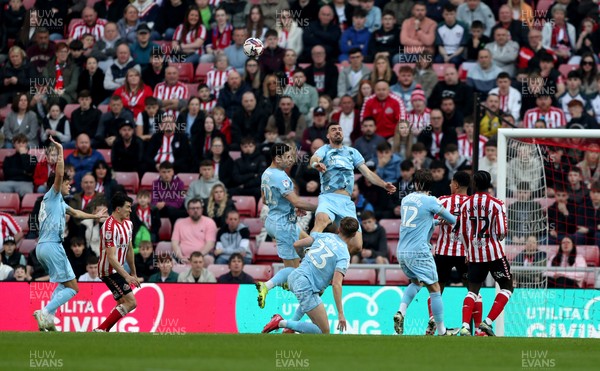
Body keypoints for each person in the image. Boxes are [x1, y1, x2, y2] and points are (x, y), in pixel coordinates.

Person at [33, 137, 108, 332]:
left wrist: (95, 215)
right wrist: (60, 150)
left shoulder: (59, 202)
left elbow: (76, 213)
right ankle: (46, 311)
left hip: (44, 246)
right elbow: (58, 174)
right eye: (67, 183)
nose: (69, 185)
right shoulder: (52, 195)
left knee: (63, 283)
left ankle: (48, 318)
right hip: (51, 245)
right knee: (74, 287)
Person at [307, 123, 396, 254]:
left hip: (346, 202)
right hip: (328, 198)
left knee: (357, 246)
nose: (337, 131)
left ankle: (332, 258)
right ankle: (309, 254)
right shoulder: (324, 150)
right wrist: (316, 164)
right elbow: (314, 159)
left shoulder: (352, 152)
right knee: (321, 221)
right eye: (333, 130)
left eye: (339, 129)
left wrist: (383, 184)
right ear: (328, 135)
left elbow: (368, 173)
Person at [261, 217, 359, 334]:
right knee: (323, 331)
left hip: (295, 277)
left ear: (339, 229)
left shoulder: (324, 236)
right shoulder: (344, 255)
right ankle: (281, 322)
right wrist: (341, 313)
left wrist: (305, 258)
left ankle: (290, 323)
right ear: (354, 235)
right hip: (305, 285)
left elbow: (297, 244)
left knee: (314, 296)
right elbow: (336, 284)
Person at [393, 169, 457, 337]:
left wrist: (435, 222)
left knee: (415, 283)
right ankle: (442, 331)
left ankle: (401, 312)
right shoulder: (430, 200)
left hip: (402, 250)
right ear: (431, 185)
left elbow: (417, 221)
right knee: (435, 289)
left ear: (415, 183)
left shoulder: (406, 199)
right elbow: (453, 220)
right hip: (419, 251)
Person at [459, 171, 512, 337]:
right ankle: (487, 322)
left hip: (475, 253)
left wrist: (469, 250)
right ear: (489, 184)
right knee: (507, 287)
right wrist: (496, 235)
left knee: (473, 291)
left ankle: (465, 327)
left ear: (474, 184)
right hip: (494, 254)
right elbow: (503, 231)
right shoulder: (497, 203)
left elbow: (463, 232)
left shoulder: (466, 204)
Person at [423, 171, 471, 335]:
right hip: (466, 253)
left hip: (444, 252)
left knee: (436, 290)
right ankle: (471, 326)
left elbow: (429, 219)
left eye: (451, 182)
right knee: (472, 291)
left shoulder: (443, 200)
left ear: (456, 185)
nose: (449, 185)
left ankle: (432, 320)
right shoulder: (472, 203)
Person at [259, 144, 317, 270]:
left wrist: (291, 206)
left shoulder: (266, 173)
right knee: (293, 270)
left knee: (312, 244)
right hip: (283, 225)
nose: (292, 159)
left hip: (274, 221)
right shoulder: (280, 176)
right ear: (278, 159)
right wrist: (320, 209)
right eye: (288, 156)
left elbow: (265, 199)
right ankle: (269, 285)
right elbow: (297, 201)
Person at [93, 192, 138, 331]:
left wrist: (134, 273)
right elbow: (111, 257)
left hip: (118, 269)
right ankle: (101, 329)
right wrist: (127, 276)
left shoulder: (129, 224)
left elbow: (129, 249)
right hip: (108, 270)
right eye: (128, 207)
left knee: (122, 302)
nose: (130, 210)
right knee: (131, 302)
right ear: (118, 209)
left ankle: (102, 330)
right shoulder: (109, 226)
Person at [171, 198, 217, 265]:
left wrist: (197, 257)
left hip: (203, 256)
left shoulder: (210, 222)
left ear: (202, 209)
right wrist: (181, 257)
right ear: (188, 211)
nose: (195, 210)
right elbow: (174, 243)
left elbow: (210, 244)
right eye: (192, 208)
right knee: (168, 261)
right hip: (182, 256)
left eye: (198, 208)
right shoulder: (179, 223)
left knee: (208, 259)